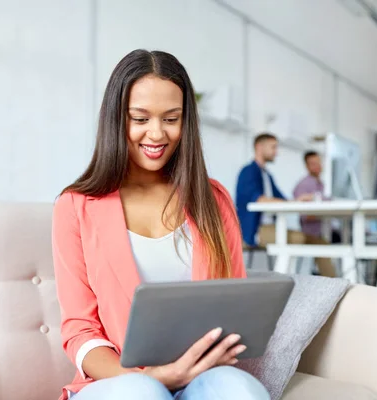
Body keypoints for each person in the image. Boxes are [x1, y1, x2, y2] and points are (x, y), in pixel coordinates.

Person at [52, 49, 270, 400]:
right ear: (116, 119)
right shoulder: (76, 206)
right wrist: (154, 377)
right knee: (144, 393)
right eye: (139, 119)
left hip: (201, 377)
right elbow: (79, 329)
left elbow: (234, 306)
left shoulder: (214, 200)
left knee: (238, 390)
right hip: (116, 383)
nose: (156, 134)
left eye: (171, 119)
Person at [235, 134, 336, 277]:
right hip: (255, 231)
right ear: (259, 147)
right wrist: (291, 202)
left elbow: (282, 200)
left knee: (320, 242)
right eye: (273, 147)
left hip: (272, 228)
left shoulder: (267, 176)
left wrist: (298, 200)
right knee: (299, 238)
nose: (277, 152)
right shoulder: (248, 172)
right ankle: (290, 286)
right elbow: (259, 200)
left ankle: (336, 284)